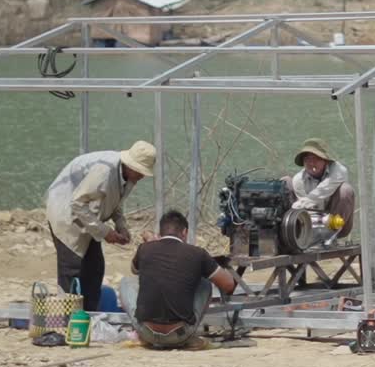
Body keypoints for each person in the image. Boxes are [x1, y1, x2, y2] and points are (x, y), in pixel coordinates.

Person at [46, 141, 156, 311]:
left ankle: (90, 314)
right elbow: (77, 203)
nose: (142, 176)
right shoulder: (104, 171)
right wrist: (105, 232)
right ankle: (68, 320)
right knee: (72, 268)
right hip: (65, 212)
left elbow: (115, 202)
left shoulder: (128, 176)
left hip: (88, 217)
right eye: (140, 171)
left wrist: (121, 226)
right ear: (130, 165)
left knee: (94, 267)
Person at [120, 209, 236, 350]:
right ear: (184, 232)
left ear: (160, 232)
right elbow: (229, 285)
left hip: (147, 333)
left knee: (126, 282)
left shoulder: (144, 249)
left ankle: (138, 335)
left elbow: (134, 270)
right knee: (205, 284)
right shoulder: (197, 254)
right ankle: (190, 336)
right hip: (180, 335)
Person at [284, 138, 355, 238]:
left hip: (336, 222)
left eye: (316, 158)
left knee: (345, 190)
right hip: (310, 223)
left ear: (325, 161)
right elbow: (306, 209)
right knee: (285, 182)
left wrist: (297, 205)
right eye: (307, 159)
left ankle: (331, 235)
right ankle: (296, 234)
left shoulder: (339, 171)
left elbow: (321, 192)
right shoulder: (298, 180)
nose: (311, 163)